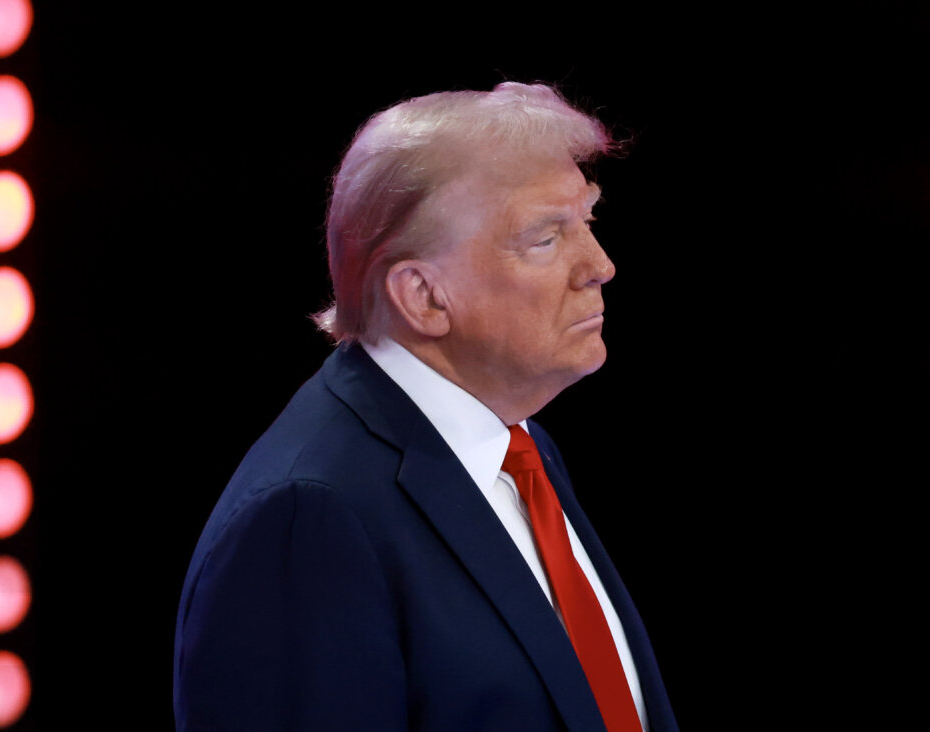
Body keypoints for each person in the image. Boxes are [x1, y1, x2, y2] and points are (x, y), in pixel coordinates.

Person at [173, 82, 678, 732]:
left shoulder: (515, 441)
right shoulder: (306, 519)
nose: (600, 265)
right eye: (545, 239)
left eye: (589, 221)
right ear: (423, 297)